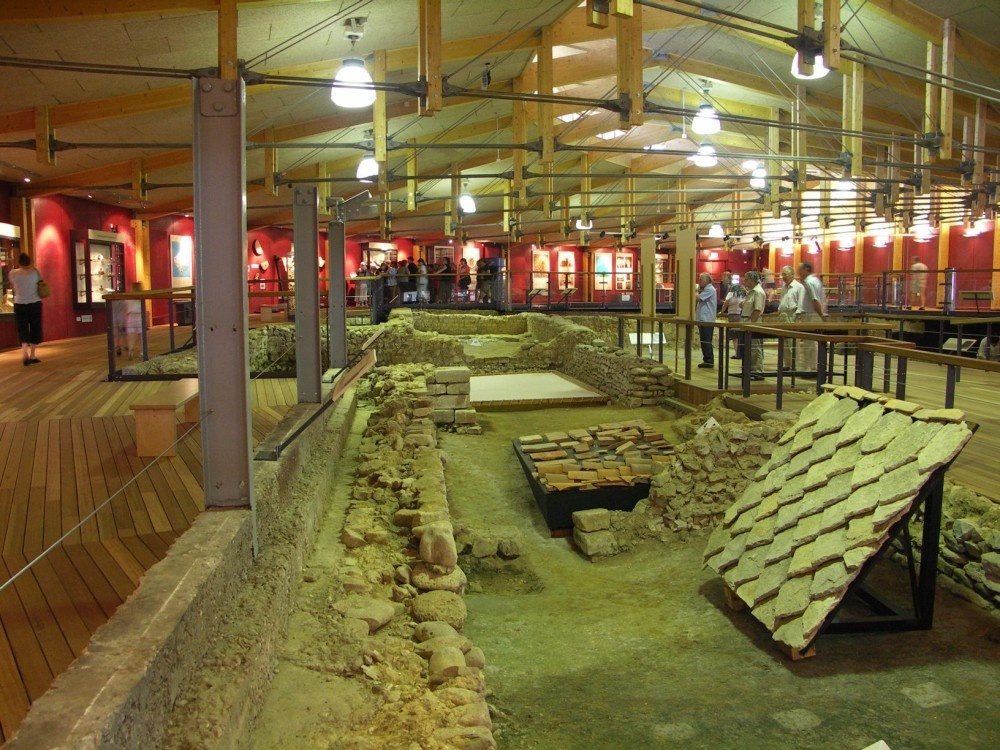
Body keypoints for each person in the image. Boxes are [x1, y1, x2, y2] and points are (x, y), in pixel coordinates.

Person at [9, 253, 44, 366]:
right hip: (34, 302)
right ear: (29, 261)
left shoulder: (13, 273)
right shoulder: (35, 272)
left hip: (19, 303)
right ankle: (33, 355)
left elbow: (13, 284)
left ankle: (25, 354)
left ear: (19, 262)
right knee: (35, 327)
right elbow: (41, 282)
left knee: (22, 327)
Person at [795, 261, 827, 375]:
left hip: (811, 314)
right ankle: (812, 367)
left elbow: (815, 300)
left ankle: (809, 368)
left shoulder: (809, 282)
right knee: (812, 343)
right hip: (813, 314)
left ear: (806, 269)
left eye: (800, 270)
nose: (798, 273)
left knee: (809, 343)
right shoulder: (816, 281)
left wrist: (821, 314)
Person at [777, 265, 804, 370]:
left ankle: (795, 365)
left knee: (793, 342)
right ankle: (787, 364)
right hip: (783, 315)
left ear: (792, 275)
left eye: (785, 274)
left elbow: (801, 303)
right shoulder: (783, 287)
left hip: (792, 315)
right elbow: (782, 301)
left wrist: (798, 317)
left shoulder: (799, 287)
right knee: (784, 342)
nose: (783, 277)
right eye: (782, 274)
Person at [741, 270, 766, 380]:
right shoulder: (750, 292)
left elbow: (757, 309)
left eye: (746, 279)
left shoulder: (758, 292)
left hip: (753, 323)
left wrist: (751, 324)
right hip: (746, 322)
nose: (744, 281)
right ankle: (750, 370)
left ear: (752, 280)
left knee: (755, 348)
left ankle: (758, 371)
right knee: (749, 349)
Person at [695, 272, 717, 369]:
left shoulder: (710, 289)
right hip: (703, 319)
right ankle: (707, 360)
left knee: (706, 341)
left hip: (707, 319)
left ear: (707, 280)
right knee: (704, 341)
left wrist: (695, 290)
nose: (699, 281)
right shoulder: (706, 289)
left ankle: (709, 361)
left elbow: (698, 298)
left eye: (701, 279)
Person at [124, 282, 144, 360]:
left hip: (131, 316)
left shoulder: (128, 297)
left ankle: (130, 351)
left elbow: (126, 308)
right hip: (139, 315)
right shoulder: (141, 296)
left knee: (131, 336)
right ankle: (142, 352)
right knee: (141, 336)